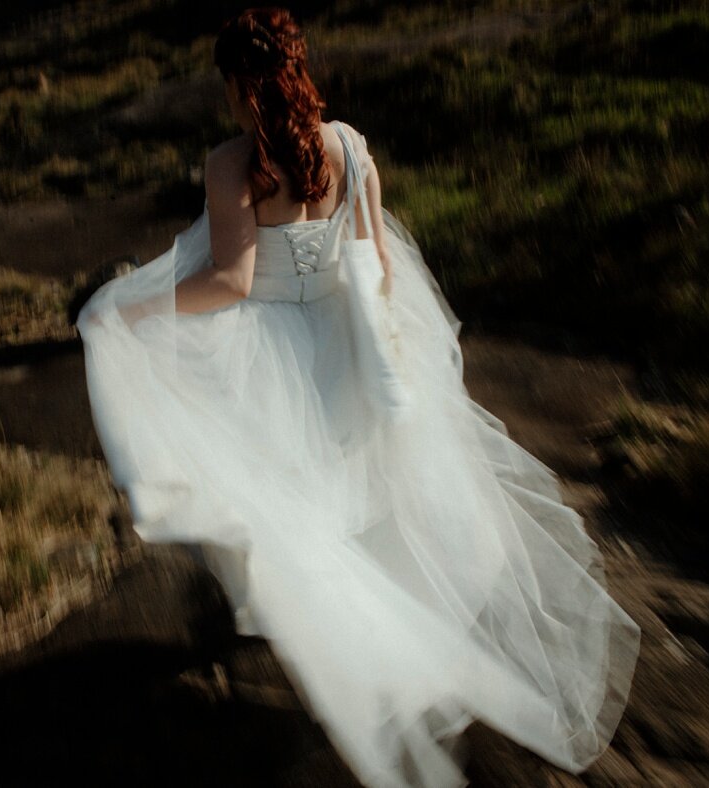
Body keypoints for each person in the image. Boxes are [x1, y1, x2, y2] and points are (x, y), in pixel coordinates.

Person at [76, 7, 640, 787]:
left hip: (267, 352)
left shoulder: (234, 162)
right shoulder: (348, 144)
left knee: (281, 508)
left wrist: (126, 309)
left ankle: (346, 645)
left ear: (242, 85)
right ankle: (390, 634)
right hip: (348, 339)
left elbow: (231, 282)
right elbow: (375, 255)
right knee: (366, 500)